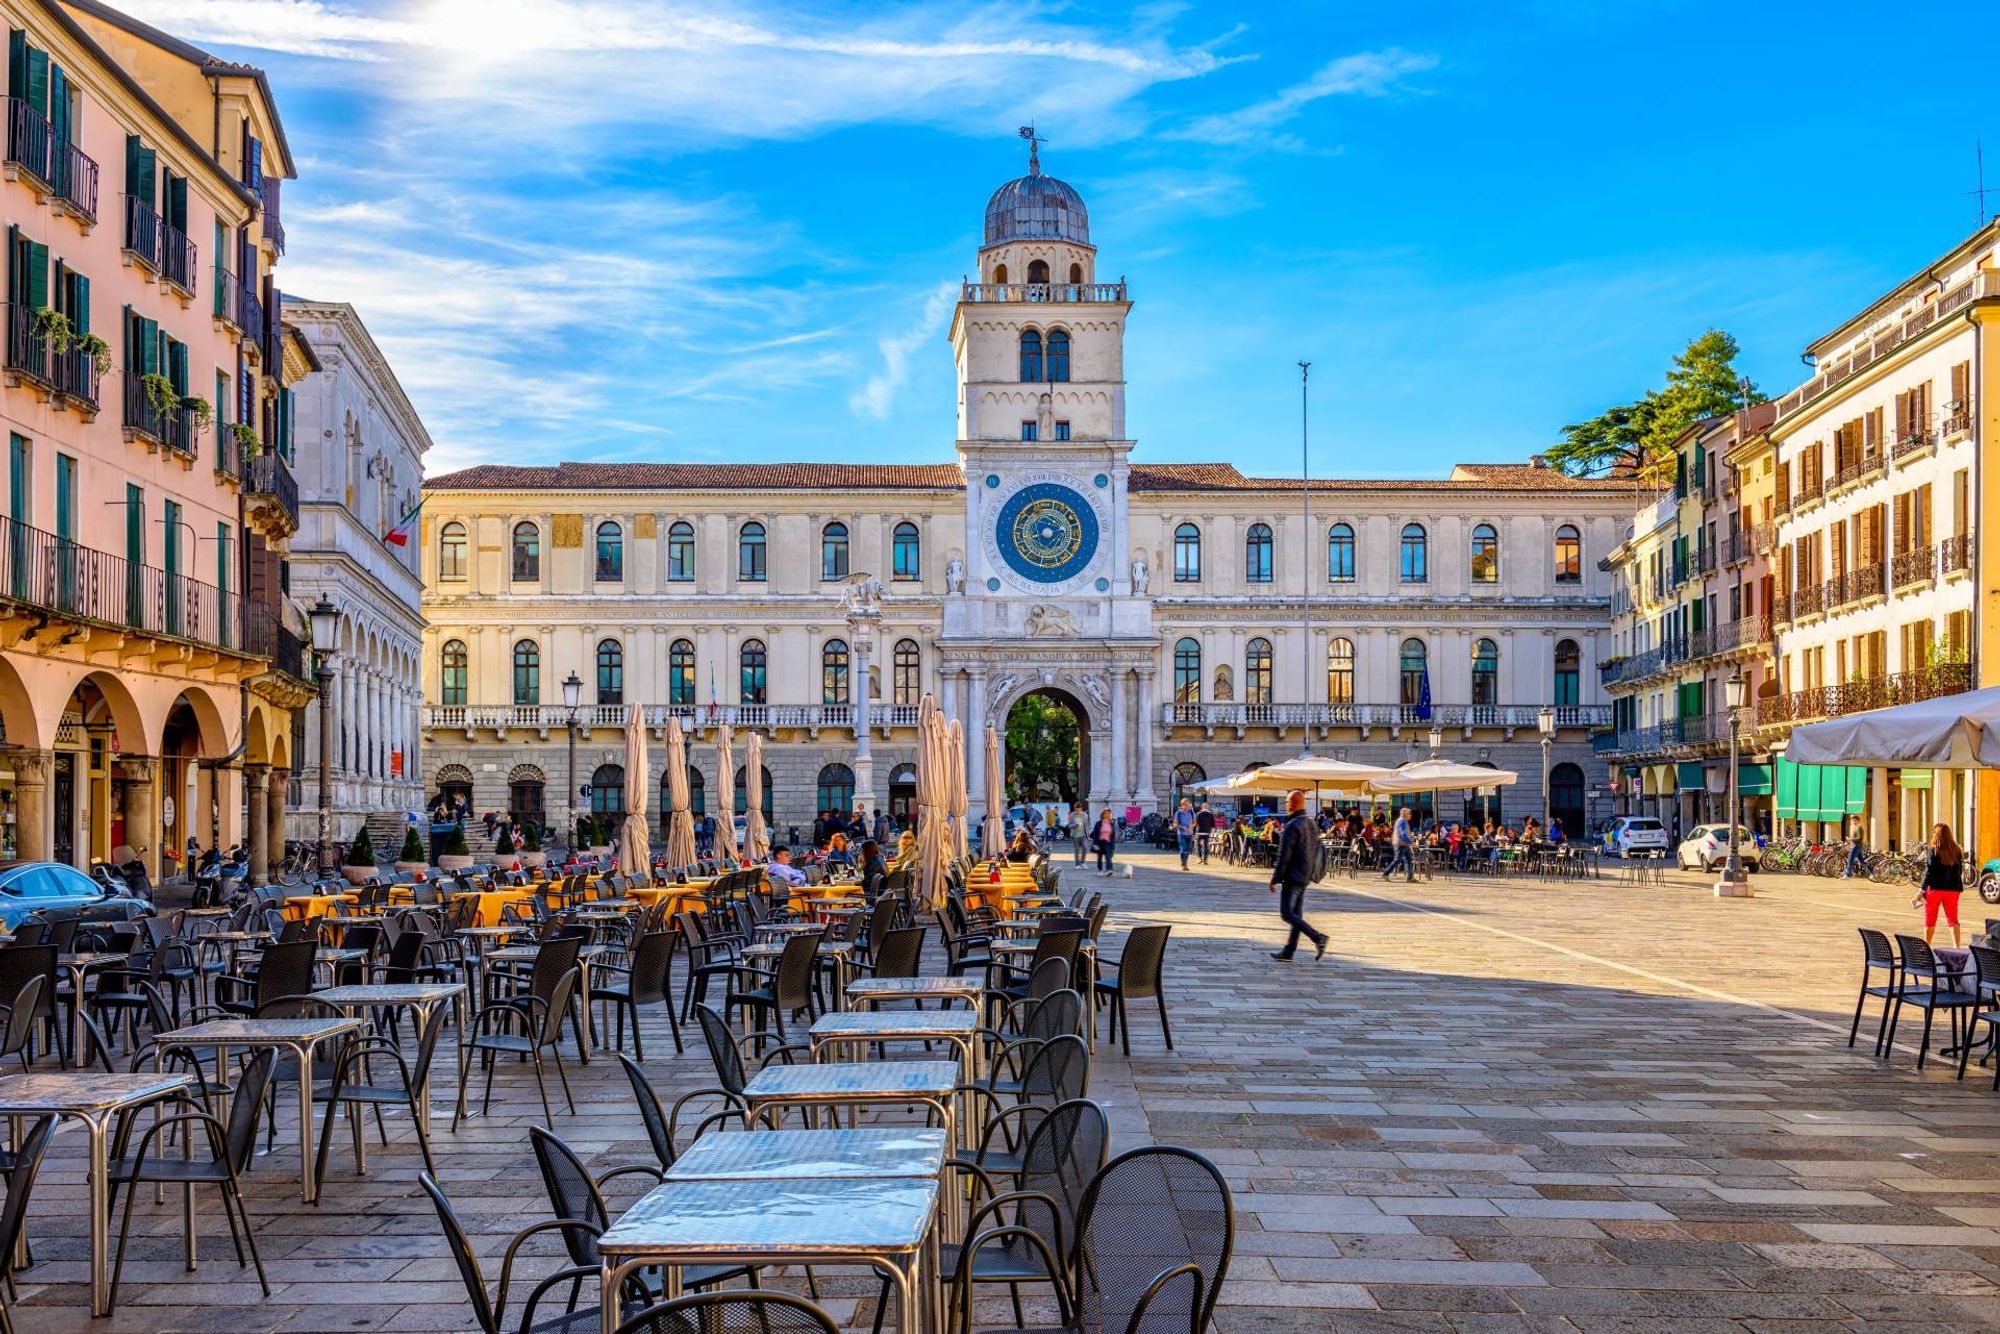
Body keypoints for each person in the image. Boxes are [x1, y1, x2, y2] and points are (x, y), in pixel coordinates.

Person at [1269, 789, 1328, 962]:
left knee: (1287, 913)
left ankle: (1318, 937)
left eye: (1287, 802)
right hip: (1305, 875)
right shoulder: (1311, 823)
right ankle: (1289, 951)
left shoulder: (1292, 826)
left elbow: (1283, 856)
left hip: (1293, 876)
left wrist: (1275, 879)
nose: (1286, 804)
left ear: (1293, 804)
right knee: (1296, 914)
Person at [1921, 822, 1967, 947]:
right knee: (1952, 919)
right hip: (1953, 889)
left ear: (1937, 835)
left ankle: (1927, 946)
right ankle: (1956, 946)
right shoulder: (1957, 850)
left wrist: (1921, 889)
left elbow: (1929, 871)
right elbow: (1959, 871)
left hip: (1934, 889)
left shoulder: (1933, 850)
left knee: (1930, 918)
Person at [1383, 806, 1416, 882]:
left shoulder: (1403, 821)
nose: (1410, 815)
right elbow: (1402, 834)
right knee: (1398, 860)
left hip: (1404, 844)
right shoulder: (1402, 821)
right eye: (1409, 814)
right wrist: (1411, 842)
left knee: (1409, 859)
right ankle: (1385, 873)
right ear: (1405, 814)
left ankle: (1409, 877)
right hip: (1401, 844)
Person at [1173, 798, 1196, 870]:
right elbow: (1174, 825)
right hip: (1181, 834)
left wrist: (1191, 826)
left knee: (1188, 849)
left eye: (1188, 804)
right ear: (1182, 805)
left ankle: (1184, 864)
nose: (1187, 806)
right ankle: (1184, 864)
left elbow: (1195, 822)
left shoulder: (1191, 812)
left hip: (1189, 833)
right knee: (1183, 849)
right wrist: (1182, 827)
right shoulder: (1178, 813)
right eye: (1185, 805)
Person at [1092, 808, 1117, 876]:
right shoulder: (1098, 823)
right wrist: (1095, 844)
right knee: (1099, 857)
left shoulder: (1111, 824)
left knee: (1108, 857)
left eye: (1108, 813)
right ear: (1102, 814)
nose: (1107, 815)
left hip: (1108, 843)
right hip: (1100, 842)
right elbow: (1095, 834)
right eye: (1105, 813)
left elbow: (1113, 836)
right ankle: (1100, 870)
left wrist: (1113, 846)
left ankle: (1109, 870)